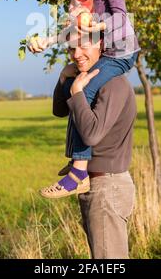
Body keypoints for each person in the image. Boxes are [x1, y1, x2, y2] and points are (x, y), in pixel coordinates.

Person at [28, 0, 140, 198]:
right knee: (72, 88)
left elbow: (121, 18)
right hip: (99, 47)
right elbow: (76, 31)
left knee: (84, 90)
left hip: (120, 52)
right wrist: (49, 40)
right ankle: (76, 158)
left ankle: (79, 173)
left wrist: (94, 24)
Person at [50, 30, 137, 259]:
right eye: (70, 48)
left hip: (108, 187)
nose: (76, 54)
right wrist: (64, 79)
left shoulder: (114, 84)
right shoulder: (89, 79)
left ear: (101, 43)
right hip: (96, 184)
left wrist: (77, 92)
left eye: (83, 46)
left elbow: (91, 135)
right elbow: (59, 110)